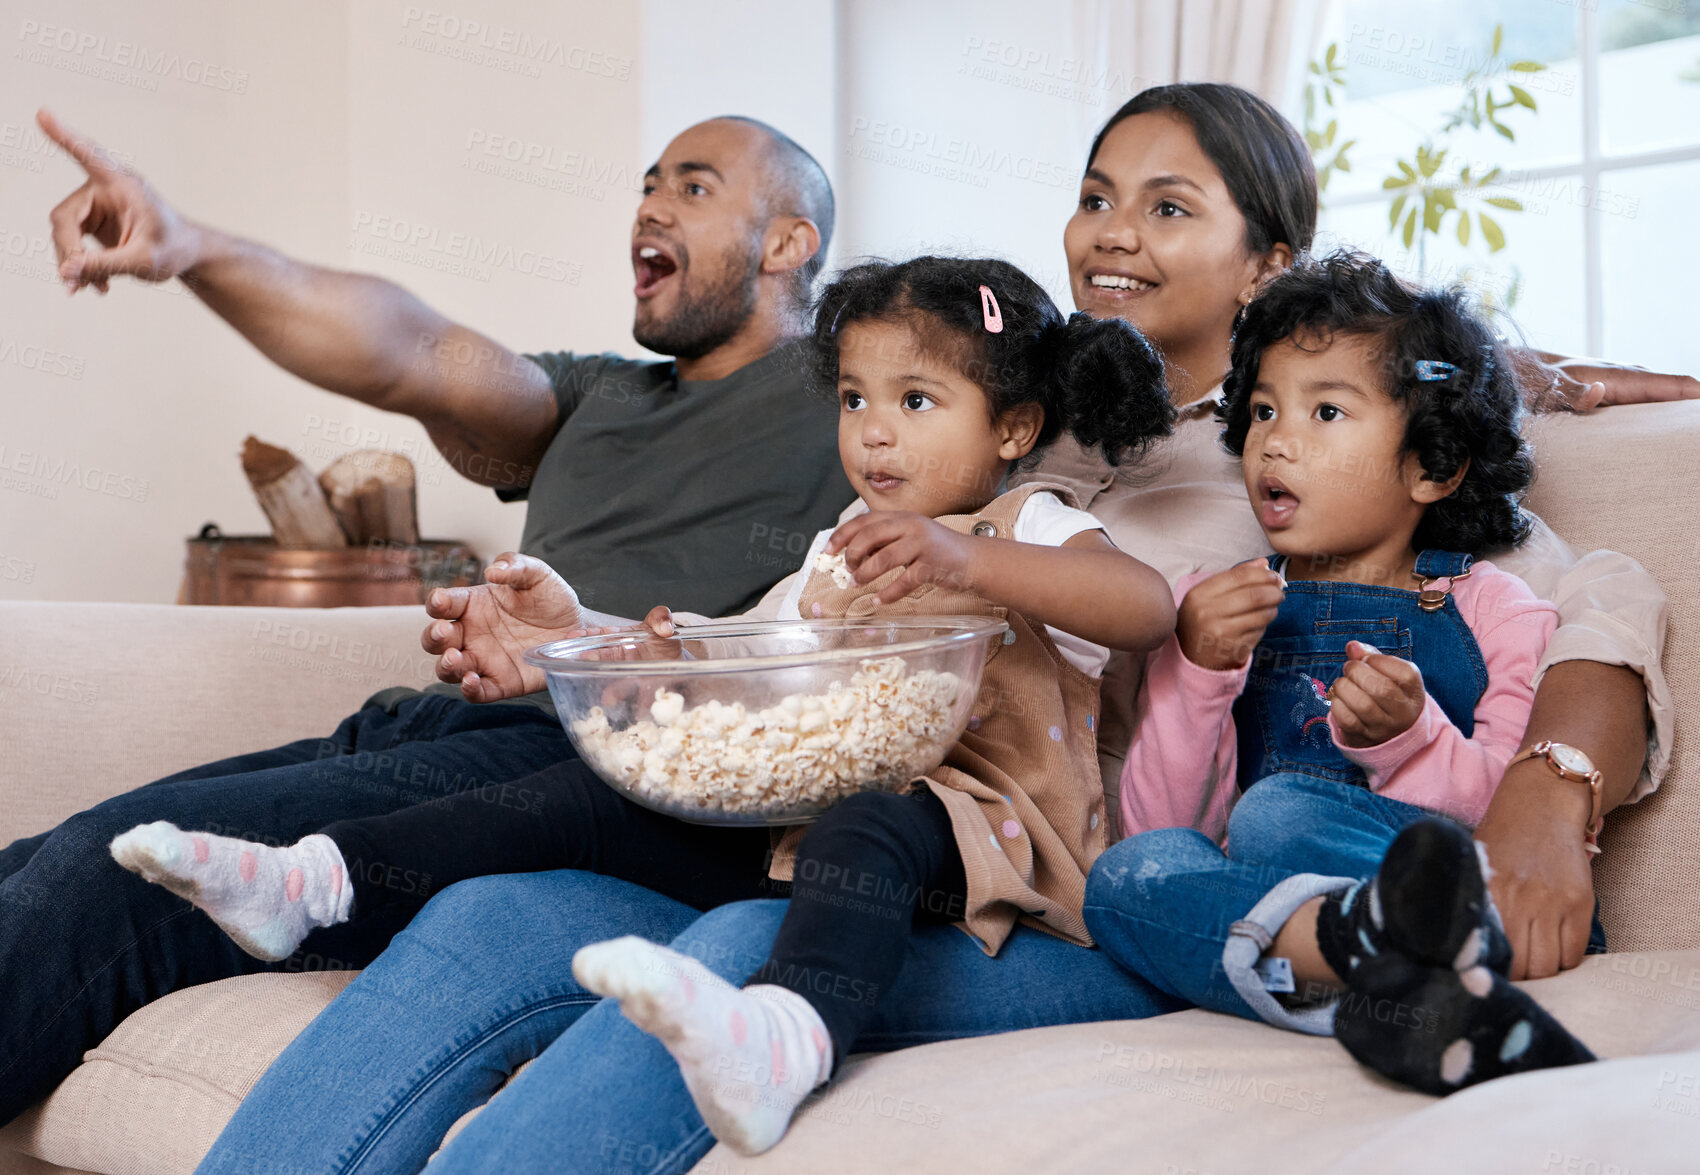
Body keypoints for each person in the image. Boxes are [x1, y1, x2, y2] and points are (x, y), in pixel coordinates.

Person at [195, 84, 1679, 1174]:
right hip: (861, 797)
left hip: (1037, 862)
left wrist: (1553, 780)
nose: (1112, 230)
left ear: (1272, 258)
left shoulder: (1325, 463)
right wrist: (589, 634)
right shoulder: (1019, 444)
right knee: (490, 909)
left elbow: (1583, 586)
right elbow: (812, 625)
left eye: (1171, 206)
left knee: (745, 932)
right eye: (1100, 192)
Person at [114, 255, 1179, 1154]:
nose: (875, 434)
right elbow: (738, 655)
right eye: (854, 399)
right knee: (586, 787)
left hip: (983, 835)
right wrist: (577, 643)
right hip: (809, 815)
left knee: (869, 823)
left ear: (1013, 426)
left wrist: (966, 555)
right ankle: (316, 876)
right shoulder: (837, 544)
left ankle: (789, 1034)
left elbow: (1139, 604)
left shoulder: (1026, 521)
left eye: (915, 401)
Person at [0, 111, 853, 1126]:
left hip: (566, 768)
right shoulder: (593, 395)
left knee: (118, 870)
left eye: (694, 186)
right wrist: (192, 246)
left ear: (788, 241)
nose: (650, 205)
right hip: (419, 730)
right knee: (41, 858)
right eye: (647, 182)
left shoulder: (857, 404)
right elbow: (403, 344)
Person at [1088, 249, 1595, 1098]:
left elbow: (1504, 819)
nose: (1275, 440)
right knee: (1126, 877)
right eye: (1260, 410)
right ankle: (1397, 992)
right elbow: (1164, 824)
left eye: (1326, 410)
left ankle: (1435, 942)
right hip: (1284, 910)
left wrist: (1411, 739)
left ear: (1431, 464)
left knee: (1278, 814)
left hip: (1454, 886)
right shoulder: (1204, 606)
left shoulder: (1494, 609)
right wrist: (1201, 668)